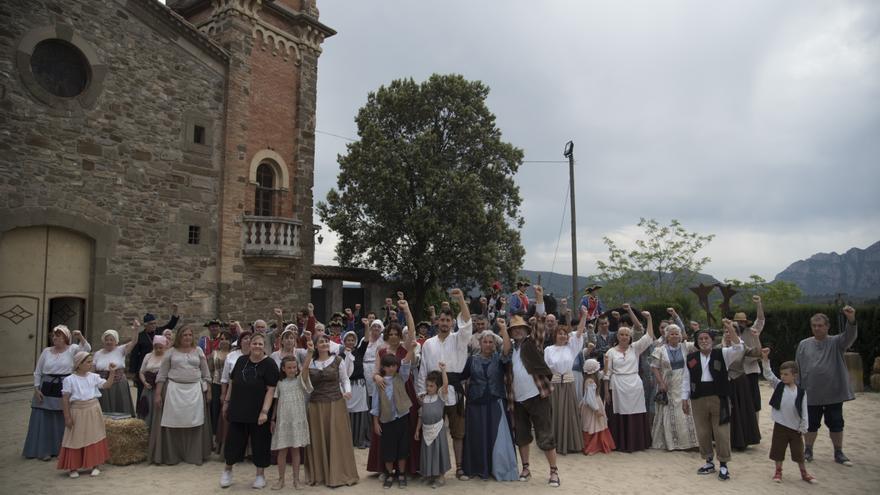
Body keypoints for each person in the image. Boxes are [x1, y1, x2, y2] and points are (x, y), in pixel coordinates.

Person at [416, 288, 472, 480]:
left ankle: (459, 467)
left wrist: (461, 299)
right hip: (433, 392)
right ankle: (433, 468)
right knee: (433, 431)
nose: (445, 323)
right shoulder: (428, 343)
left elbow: (467, 324)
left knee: (458, 432)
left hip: (454, 390)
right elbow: (423, 369)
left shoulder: (459, 339)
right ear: (437, 321)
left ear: (452, 323)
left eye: (449, 321)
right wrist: (422, 394)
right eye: (442, 320)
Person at [681, 320, 744, 481]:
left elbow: (739, 348)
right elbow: (686, 379)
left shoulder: (722, 353)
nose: (703, 341)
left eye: (706, 339)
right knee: (703, 431)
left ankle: (723, 464)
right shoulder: (691, 358)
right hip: (698, 398)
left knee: (721, 432)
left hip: (719, 397)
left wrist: (730, 328)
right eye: (700, 339)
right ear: (697, 342)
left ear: (712, 340)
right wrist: (684, 399)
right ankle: (708, 461)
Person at [796, 305, 858, 466]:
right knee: (810, 424)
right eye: (814, 326)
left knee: (836, 423)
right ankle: (808, 450)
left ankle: (838, 451)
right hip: (811, 393)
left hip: (833, 392)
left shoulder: (837, 342)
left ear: (827, 326)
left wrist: (850, 319)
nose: (817, 328)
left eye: (820, 325)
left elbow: (850, 335)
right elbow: (798, 367)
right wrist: (797, 388)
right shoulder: (803, 344)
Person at [220, 333, 280, 489]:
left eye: (260, 344)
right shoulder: (241, 361)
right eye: (255, 343)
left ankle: (260, 476)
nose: (257, 346)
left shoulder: (269, 364)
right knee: (233, 441)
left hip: (258, 411)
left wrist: (264, 412)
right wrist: (226, 402)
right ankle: (227, 471)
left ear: (264, 346)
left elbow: (271, 390)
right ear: (249, 345)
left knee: (260, 443)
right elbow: (232, 383)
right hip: (238, 408)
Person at [368, 301, 421, 476]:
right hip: (385, 392)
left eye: (396, 333)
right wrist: (376, 376)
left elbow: (412, 332)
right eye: (390, 333)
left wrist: (407, 311)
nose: (393, 336)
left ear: (400, 335)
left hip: (405, 391)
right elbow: (376, 371)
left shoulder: (405, 348)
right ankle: (385, 468)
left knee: (406, 430)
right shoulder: (381, 351)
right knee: (386, 429)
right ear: (386, 335)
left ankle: (407, 467)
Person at [461, 320, 518, 481]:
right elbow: (461, 377)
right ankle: (477, 469)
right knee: (477, 437)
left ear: (494, 344)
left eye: (490, 342)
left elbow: (507, 351)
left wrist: (503, 329)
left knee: (498, 438)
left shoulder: (499, 359)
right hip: (475, 404)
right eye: (485, 342)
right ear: (480, 343)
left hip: (495, 402)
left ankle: (497, 469)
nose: (487, 344)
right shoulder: (472, 360)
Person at [508, 312, 560, 487]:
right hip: (517, 399)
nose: (517, 331)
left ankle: (553, 471)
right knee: (522, 436)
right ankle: (526, 468)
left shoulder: (533, 343)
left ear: (525, 330)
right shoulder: (509, 351)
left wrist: (539, 299)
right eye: (514, 329)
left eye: (520, 328)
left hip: (538, 396)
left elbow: (540, 323)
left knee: (545, 434)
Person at [23, 325, 90, 460]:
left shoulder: (73, 349)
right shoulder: (46, 351)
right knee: (45, 419)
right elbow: (38, 371)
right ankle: (44, 450)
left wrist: (81, 337)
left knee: (62, 417)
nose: (55, 338)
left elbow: (87, 349)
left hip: (64, 386)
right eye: (53, 336)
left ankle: (62, 450)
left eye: (58, 336)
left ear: (65, 338)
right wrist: (36, 388)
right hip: (46, 386)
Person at [150, 325, 212, 465]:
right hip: (174, 390)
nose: (188, 337)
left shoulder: (198, 351)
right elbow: (162, 374)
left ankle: (193, 455)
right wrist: (158, 394)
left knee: (195, 422)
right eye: (185, 335)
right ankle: (173, 455)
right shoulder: (171, 352)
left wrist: (209, 390)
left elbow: (206, 373)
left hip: (195, 390)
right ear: (179, 336)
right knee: (173, 422)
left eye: (190, 335)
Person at [306, 334, 359, 487]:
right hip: (316, 406)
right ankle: (321, 475)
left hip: (335, 404)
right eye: (321, 341)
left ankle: (338, 475)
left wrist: (347, 391)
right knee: (319, 439)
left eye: (326, 341)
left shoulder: (338, 360)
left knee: (337, 439)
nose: (324, 343)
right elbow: (306, 383)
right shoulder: (311, 363)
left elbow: (345, 379)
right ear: (316, 345)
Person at [604, 305, 655, 453]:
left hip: (634, 385)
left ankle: (636, 443)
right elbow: (607, 373)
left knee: (636, 413)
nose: (624, 337)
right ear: (617, 336)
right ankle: (620, 443)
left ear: (630, 337)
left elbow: (649, 337)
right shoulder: (610, 352)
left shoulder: (635, 348)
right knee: (619, 414)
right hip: (618, 385)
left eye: (627, 334)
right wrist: (606, 391)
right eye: (622, 334)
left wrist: (649, 319)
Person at [761, 348, 817, 484]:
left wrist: (804, 426)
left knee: (798, 452)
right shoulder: (779, 386)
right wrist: (765, 360)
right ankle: (778, 471)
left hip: (795, 427)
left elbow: (804, 410)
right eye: (781, 374)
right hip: (780, 425)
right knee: (778, 450)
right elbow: (769, 374)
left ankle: (804, 472)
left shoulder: (801, 392)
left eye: (786, 374)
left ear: (795, 375)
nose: (783, 377)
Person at [57, 352, 116, 477]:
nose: (91, 364)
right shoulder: (69, 380)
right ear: (79, 364)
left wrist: (112, 373)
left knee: (94, 436)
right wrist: (67, 416)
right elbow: (65, 399)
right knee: (74, 437)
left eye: (91, 361)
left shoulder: (94, 377)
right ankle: (73, 467)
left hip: (93, 409)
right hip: (77, 411)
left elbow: (106, 385)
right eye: (88, 362)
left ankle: (96, 464)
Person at [371, 331, 416, 488]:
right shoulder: (380, 382)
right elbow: (375, 405)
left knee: (403, 447)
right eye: (387, 366)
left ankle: (402, 473)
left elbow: (407, 362)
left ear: (397, 366)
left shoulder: (401, 377)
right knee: (388, 448)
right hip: (387, 420)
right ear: (382, 367)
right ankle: (390, 474)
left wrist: (411, 348)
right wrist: (375, 423)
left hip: (402, 417)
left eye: (393, 366)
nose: (391, 368)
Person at [543, 306, 588, 454]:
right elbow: (546, 370)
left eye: (564, 334)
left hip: (568, 383)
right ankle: (554, 442)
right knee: (554, 413)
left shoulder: (571, 348)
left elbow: (579, 332)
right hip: (555, 384)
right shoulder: (548, 350)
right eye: (559, 334)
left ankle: (569, 443)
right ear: (555, 335)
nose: (562, 336)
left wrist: (584, 315)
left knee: (569, 413)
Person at [650, 324, 698, 451]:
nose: (675, 336)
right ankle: (673, 443)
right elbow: (654, 367)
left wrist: (696, 330)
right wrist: (660, 382)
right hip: (668, 385)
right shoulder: (660, 350)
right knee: (670, 412)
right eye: (672, 333)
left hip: (683, 383)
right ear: (667, 336)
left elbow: (699, 345)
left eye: (677, 333)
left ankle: (690, 442)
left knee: (686, 412)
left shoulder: (686, 346)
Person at [271, 352, 313, 490]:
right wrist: (273, 419)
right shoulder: (280, 383)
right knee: (282, 451)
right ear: (283, 368)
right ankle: (281, 480)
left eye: (294, 367)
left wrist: (310, 351)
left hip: (297, 419)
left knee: (296, 451)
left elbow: (306, 367)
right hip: (283, 421)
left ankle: (296, 480)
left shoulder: (300, 380)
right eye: (289, 368)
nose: (292, 370)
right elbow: (276, 403)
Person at [129, 305, 179, 404]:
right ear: (146, 325)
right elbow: (134, 355)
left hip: (160, 366)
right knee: (142, 396)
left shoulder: (159, 331)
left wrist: (175, 311)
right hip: (145, 367)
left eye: (155, 323)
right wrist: (134, 373)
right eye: (151, 324)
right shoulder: (140, 336)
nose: (154, 325)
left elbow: (171, 324)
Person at [417, 363, 454, 487]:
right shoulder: (423, 399)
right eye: (427, 385)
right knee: (428, 452)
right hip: (426, 430)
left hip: (438, 429)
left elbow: (445, 386)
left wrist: (443, 371)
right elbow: (420, 416)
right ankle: (430, 475)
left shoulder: (441, 397)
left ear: (437, 386)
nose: (428, 388)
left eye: (431, 386)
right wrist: (417, 430)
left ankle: (441, 477)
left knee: (439, 452)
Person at [726, 327, 762, 450]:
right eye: (725, 331)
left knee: (741, 410)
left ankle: (742, 440)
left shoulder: (742, 347)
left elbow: (757, 353)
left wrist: (756, 338)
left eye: (731, 331)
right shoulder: (718, 348)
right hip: (724, 382)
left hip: (739, 382)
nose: (728, 334)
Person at [92, 328, 136, 416]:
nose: (109, 342)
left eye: (111, 340)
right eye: (106, 340)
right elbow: (93, 370)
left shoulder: (121, 350)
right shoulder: (98, 354)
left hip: (118, 382)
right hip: (102, 383)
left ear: (116, 341)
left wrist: (136, 329)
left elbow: (134, 341)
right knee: (104, 406)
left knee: (120, 404)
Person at [580, 358, 615, 455]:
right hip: (592, 406)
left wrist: (606, 363)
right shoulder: (590, 382)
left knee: (595, 424)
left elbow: (603, 373)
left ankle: (596, 445)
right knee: (592, 424)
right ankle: (592, 446)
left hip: (594, 403)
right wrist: (596, 410)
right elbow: (589, 398)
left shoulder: (591, 378)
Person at [344, 330, 371, 449]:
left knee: (360, 413)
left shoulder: (359, 352)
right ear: (344, 341)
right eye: (348, 340)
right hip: (347, 386)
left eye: (352, 340)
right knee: (347, 412)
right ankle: (347, 439)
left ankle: (359, 438)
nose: (350, 342)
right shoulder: (340, 354)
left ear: (355, 342)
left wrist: (366, 325)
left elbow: (366, 340)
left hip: (359, 385)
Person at [138, 335, 169, 431]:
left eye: (161, 347)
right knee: (146, 409)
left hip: (161, 388)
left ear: (165, 347)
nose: (158, 349)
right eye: (156, 347)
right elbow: (142, 372)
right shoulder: (148, 356)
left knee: (159, 410)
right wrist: (144, 382)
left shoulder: (167, 357)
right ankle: (146, 431)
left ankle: (158, 432)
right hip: (148, 388)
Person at [206, 331, 231, 451]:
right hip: (216, 385)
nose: (224, 341)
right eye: (221, 339)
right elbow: (209, 373)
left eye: (226, 339)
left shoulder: (233, 354)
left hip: (230, 387)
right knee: (215, 413)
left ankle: (227, 440)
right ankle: (216, 441)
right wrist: (209, 389)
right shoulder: (213, 354)